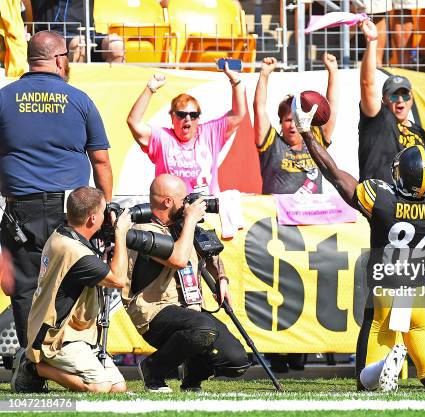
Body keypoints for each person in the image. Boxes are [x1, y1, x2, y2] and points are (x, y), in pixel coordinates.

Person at [291, 90, 425, 392]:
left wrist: (307, 134)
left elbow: (334, 174)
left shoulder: (383, 200)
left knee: (367, 381)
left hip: (385, 296)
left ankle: (381, 370)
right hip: (417, 297)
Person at [0, 30, 113, 351]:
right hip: (74, 210)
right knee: (73, 278)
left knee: (24, 286)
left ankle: (33, 360)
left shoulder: (5, 98)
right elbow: (101, 161)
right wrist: (104, 207)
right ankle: (69, 353)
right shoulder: (80, 100)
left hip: (22, 210)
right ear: (60, 59)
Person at [122, 174, 250, 392]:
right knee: (203, 328)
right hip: (155, 311)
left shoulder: (183, 224)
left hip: (191, 310)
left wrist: (222, 278)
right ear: (168, 201)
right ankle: (153, 370)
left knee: (237, 361)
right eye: (184, 199)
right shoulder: (144, 230)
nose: (189, 204)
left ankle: (192, 380)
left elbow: (212, 255)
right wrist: (190, 220)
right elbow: (179, 259)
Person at [10, 187, 130, 393]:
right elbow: (118, 279)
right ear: (92, 219)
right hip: (55, 338)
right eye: (103, 212)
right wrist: (121, 233)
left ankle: (44, 365)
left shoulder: (63, 233)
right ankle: (34, 368)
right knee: (99, 387)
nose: (106, 217)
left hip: (77, 334)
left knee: (118, 387)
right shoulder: (75, 252)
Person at [126, 64, 246, 195]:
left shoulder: (210, 133)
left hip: (204, 209)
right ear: (172, 116)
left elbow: (238, 114)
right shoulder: (163, 138)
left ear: (198, 118)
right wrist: (150, 88)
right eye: (181, 115)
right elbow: (134, 122)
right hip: (170, 211)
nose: (188, 118)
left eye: (193, 115)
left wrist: (235, 81)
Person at [254, 54, 338, 195]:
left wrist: (333, 72)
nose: (293, 125)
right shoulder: (271, 144)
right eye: (287, 120)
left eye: (296, 120)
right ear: (280, 123)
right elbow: (259, 109)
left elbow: (331, 108)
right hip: (278, 215)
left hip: (313, 215)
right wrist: (264, 75)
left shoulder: (315, 140)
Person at [358, 19, 425, 184]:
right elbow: (367, 83)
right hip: (379, 199)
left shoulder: (420, 132)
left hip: (409, 204)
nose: (400, 101)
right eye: (394, 96)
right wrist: (372, 41)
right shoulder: (378, 119)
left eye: (405, 95)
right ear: (384, 100)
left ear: (412, 99)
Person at [30, 0, 124, 63]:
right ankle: (76, 90)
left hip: (87, 33)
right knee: (79, 45)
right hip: (51, 34)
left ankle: (112, 90)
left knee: (116, 46)